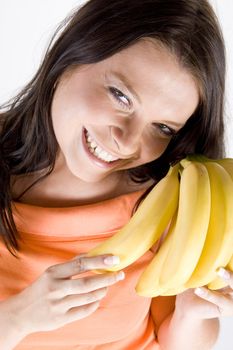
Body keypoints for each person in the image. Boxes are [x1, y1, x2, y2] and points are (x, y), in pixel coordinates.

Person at [0, 0, 232, 349]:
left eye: (163, 127)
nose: (127, 142)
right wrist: (18, 317)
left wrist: (192, 313)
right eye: (121, 96)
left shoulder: (167, 199)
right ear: (71, 56)